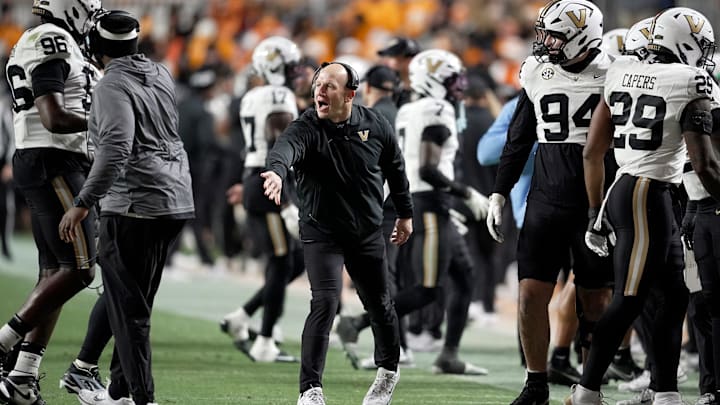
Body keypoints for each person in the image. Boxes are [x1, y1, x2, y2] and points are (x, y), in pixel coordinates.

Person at [567, 6, 720, 405]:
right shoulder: (691, 80)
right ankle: (587, 389)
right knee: (630, 297)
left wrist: (594, 212)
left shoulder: (620, 70)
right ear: (684, 43)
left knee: (673, 296)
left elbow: (592, 151)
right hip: (646, 194)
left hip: (632, 190)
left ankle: (666, 391)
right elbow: (704, 163)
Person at [58, 10, 194, 405]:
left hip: (135, 202)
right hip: (175, 197)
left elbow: (116, 149)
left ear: (96, 47)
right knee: (134, 300)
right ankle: (117, 391)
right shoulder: (162, 73)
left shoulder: (109, 87)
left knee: (130, 309)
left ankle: (140, 398)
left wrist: (83, 202)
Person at [484, 1, 614, 403]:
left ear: (582, 35)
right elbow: (519, 138)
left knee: (595, 298)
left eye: (554, 35)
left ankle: (589, 385)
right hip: (546, 197)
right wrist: (499, 192)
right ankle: (535, 382)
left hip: (596, 200)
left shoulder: (615, 72)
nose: (545, 43)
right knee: (530, 293)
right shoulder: (537, 71)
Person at [262, 61, 413, 405]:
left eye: (330, 86)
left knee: (379, 304)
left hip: (366, 231)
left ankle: (388, 371)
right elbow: (285, 149)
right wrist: (276, 172)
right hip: (321, 230)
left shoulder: (374, 123)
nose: (320, 91)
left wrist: (405, 214)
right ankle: (309, 389)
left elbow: (396, 169)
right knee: (325, 302)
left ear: (350, 94)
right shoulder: (307, 125)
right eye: (318, 84)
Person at [337, 49, 490, 375]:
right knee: (429, 288)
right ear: (435, 81)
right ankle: (358, 323)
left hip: (429, 202)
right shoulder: (436, 109)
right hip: (431, 204)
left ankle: (449, 354)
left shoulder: (410, 108)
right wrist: (467, 193)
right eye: (451, 80)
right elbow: (430, 169)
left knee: (464, 276)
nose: (458, 86)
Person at [0, 0, 102, 403]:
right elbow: (53, 116)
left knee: (55, 273)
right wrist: (106, 122)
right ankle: (5, 343)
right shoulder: (52, 38)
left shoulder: (55, 39)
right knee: (79, 270)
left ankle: (22, 377)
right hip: (53, 158)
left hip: (49, 157)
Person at [220, 36, 306, 363]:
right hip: (272, 184)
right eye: (291, 66)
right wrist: (286, 203)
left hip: (257, 178)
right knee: (283, 261)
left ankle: (244, 317)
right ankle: (265, 339)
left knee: (290, 260)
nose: (297, 72)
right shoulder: (279, 95)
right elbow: (278, 148)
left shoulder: (251, 95)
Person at [377, 37, 420, 108]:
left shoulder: (424, 90)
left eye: (391, 57)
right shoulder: (395, 88)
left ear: (409, 60)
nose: (385, 62)